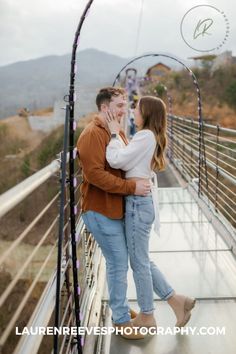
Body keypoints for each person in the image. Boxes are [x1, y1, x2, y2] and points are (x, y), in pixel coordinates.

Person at [105, 96, 196, 329]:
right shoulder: (148, 136)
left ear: (147, 113)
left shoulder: (145, 135)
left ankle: (147, 315)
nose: (133, 111)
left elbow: (116, 160)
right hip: (139, 203)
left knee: (140, 264)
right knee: (142, 260)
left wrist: (115, 134)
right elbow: (129, 161)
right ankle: (178, 302)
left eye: (137, 107)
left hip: (137, 203)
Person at [77, 87, 151, 339]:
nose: (124, 110)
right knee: (118, 262)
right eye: (119, 105)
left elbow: (123, 161)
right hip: (99, 210)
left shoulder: (115, 131)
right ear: (104, 107)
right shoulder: (91, 135)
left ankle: (120, 307)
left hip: (115, 208)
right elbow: (95, 175)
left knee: (123, 261)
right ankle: (120, 321)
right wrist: (132, 187)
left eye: (125, 104)